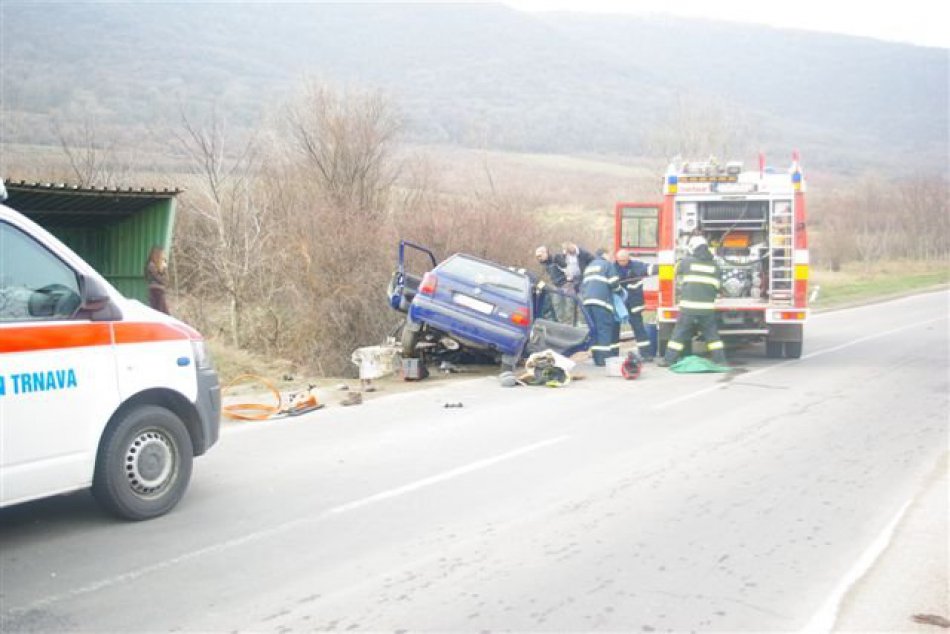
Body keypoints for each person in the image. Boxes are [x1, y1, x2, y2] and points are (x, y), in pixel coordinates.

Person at [657, 235, 727, 367]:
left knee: (679, 335)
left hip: (688, 308)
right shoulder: (715, 266)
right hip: (706, 309)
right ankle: (720, 360)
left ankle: (669, 360)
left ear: (692, 248)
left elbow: (673, 271)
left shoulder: (687, 262)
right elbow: (718, 287)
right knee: (712, 336)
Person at [614, 249, 659, 360]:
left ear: (628, 258)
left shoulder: (637, 266)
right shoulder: (612, 268)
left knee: (639, 330)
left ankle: (646, 355)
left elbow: (650, 269)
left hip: (634, 305)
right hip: (619, 306)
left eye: (624, 260)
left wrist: (666, 267)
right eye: (620, 261)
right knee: (614, 329)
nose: (622, 263)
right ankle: (613, 355)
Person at [580, 249, 622, 366]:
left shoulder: (589, 267)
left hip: (587, 303)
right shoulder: (607, 265)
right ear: (604, 255)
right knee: (604, 330)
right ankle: (603, 360)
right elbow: (614, 283)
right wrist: (620, 291)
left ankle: (597, 358)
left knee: (595, 331)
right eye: (609, 255)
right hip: (601, 302)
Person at [145, 245, 170, 314]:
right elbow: (161, 280)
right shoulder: (151, 266)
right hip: (156, 291)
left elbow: (166, 280)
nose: (164, 257)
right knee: (161, 312)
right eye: (163, 255)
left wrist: (164, 269)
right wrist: (163, 274)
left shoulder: (162, 266)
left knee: (162, 311)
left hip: (159, 290)